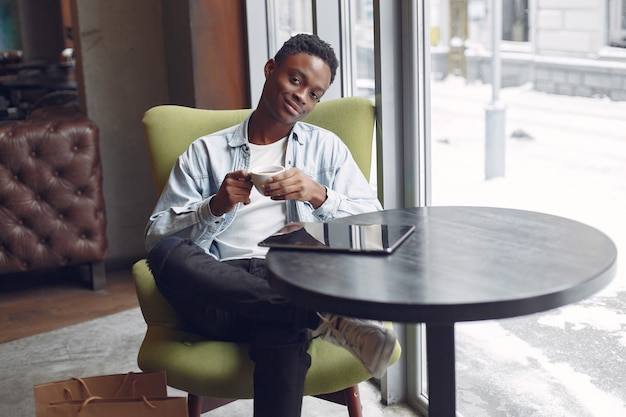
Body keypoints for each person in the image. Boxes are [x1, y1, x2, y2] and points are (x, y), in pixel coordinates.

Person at [145, 33, 397, 417]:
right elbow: (155, 237)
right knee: (165, 253)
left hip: (294, 278)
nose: (302, 97)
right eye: (296, 80)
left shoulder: (326, 149)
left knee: (282, 324)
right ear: (270, 69)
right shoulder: (204, 152)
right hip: (217, 290)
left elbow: (376, 233)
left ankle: (299, 311)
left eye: (314, 94)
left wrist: (319, 195)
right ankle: (319, 317)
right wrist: (213, 206)